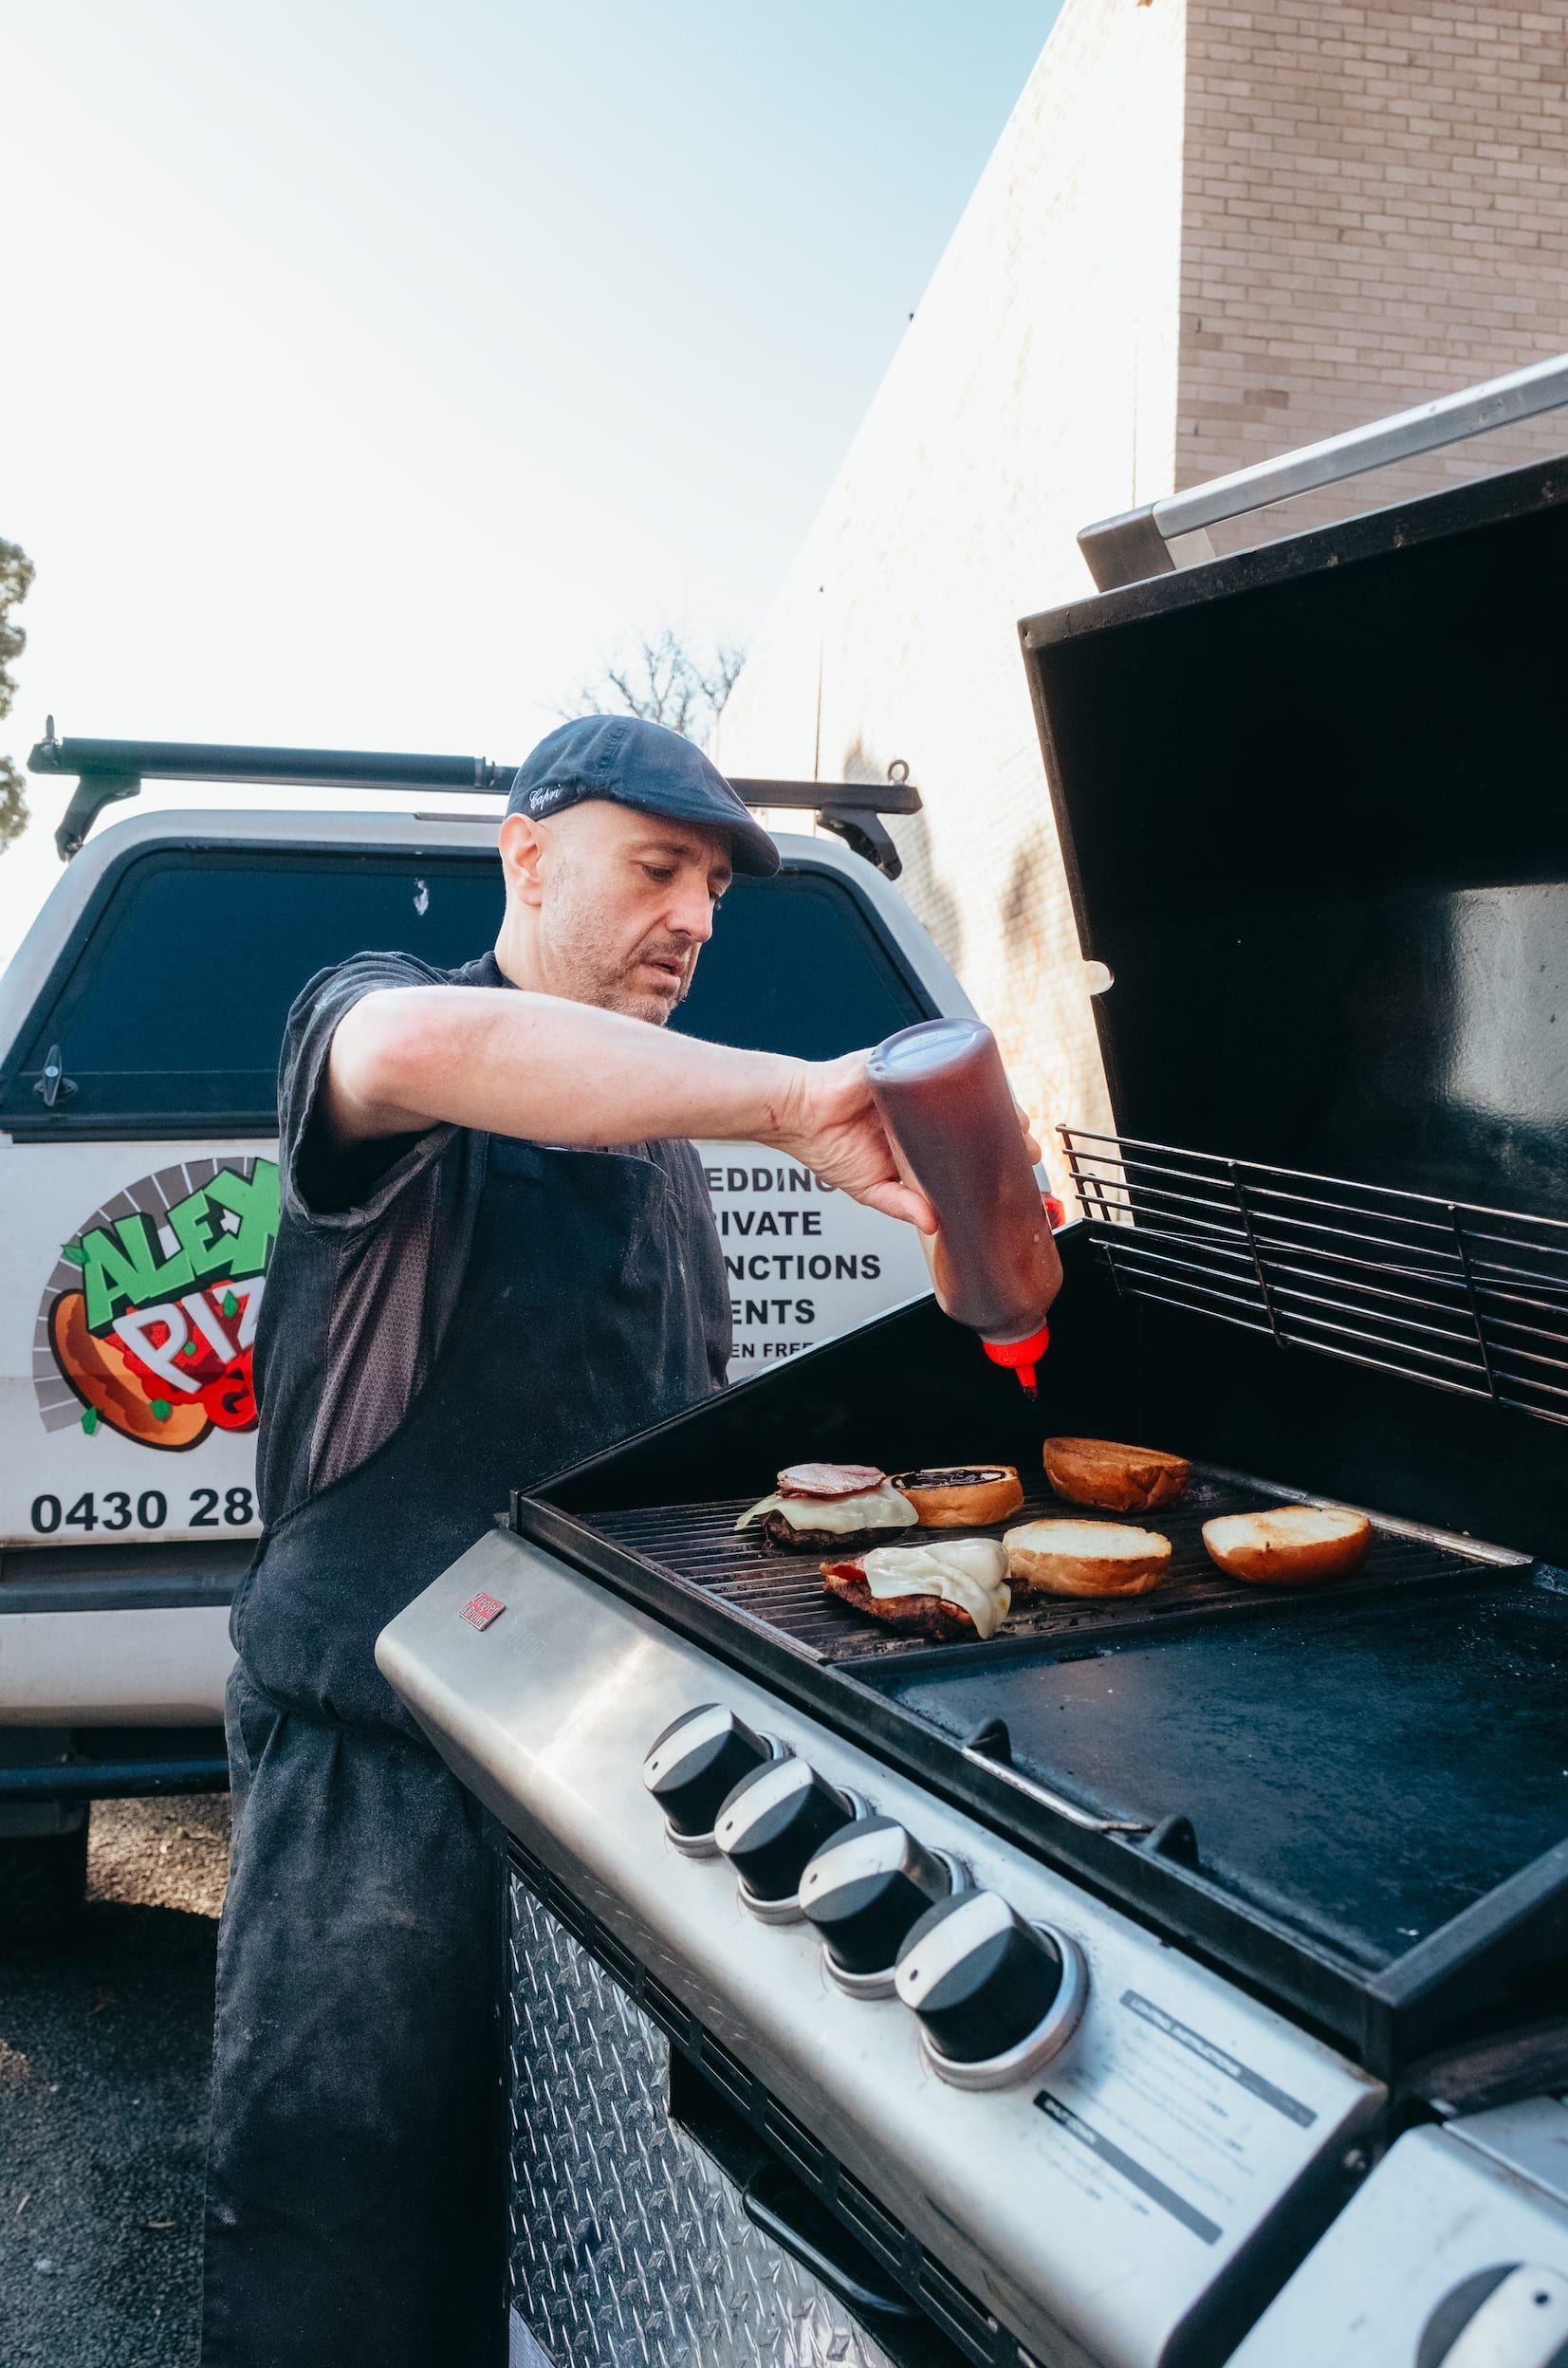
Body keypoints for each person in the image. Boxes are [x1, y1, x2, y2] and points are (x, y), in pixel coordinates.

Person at [200, 715, 1001, 2368]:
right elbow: (428, 1051)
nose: (696, 915)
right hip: (382, 1787)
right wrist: (791, 1099)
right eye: (656, 867)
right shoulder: (374, 1032)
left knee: (571, 2276)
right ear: (527, 855)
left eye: (711, 885)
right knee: (342, 2264)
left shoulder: (658, 1149)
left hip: (601, 1785)